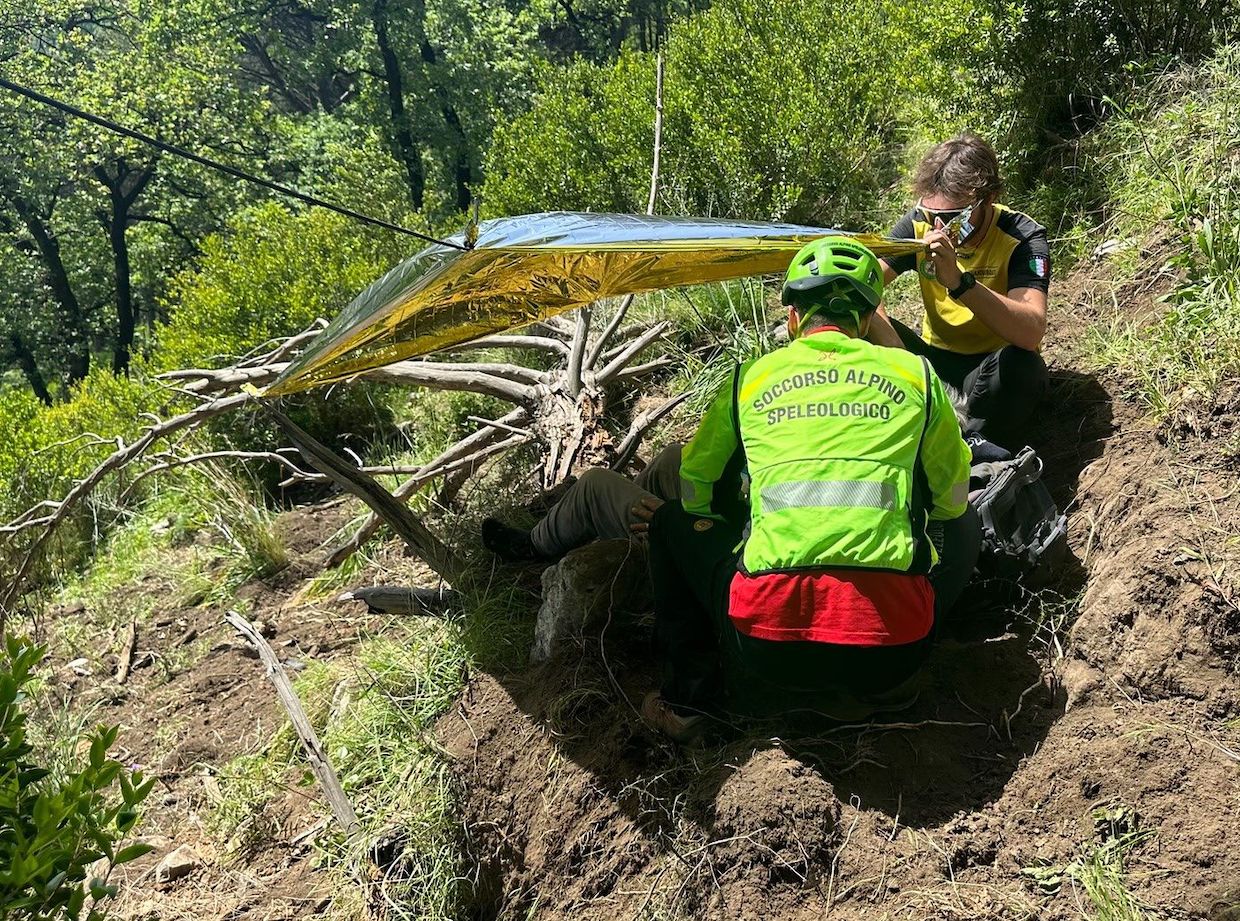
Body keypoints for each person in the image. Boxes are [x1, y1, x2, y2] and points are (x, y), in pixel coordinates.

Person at [639, 236, 980, 741]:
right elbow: (952, 496)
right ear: (866, 320)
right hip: (892, 651)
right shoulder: (916, 376)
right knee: (965, 523)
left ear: (795, 318)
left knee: (669, 524)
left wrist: (731, 519)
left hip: (770, 648)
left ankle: (690, 702)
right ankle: (886, 683)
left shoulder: (749, 379)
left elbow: (695, 487)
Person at [867, 133, 1051, 449]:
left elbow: (1031, 330)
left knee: (1025, 368)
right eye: (930, 214)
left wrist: (960, 282)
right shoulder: (916, 225)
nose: (939, 227)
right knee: (859, 321)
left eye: (953, 217)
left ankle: (966, 446)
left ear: (988, 198)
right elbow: (862, 281)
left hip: (989, 367)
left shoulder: (1021, 235)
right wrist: (897, 352)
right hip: (932, 358)